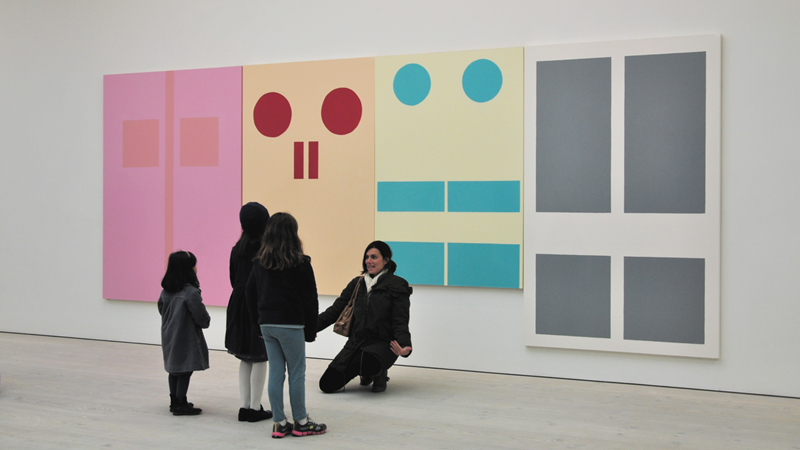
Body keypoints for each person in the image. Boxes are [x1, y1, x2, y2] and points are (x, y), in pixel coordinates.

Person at [246, 212, 327, 438]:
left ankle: (279, 423)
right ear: (293, 234)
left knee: (275, 372)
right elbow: (311, 299)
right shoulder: (301, 263)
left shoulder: (259, 264)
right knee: (296, 373)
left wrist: (257, 324)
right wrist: (311, 330)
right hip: (291, 325)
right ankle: (301, 421)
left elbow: (249, 295)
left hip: (267, 325)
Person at [317, 240, 413, 394]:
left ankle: (378, 373)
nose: (369, 261)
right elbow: (335, 310)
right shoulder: (357, 283)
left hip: (383, 344)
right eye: (367, 257)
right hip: (356, 342)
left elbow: (400, 320)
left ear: (386, 260)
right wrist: (310, 328)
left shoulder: (397, 285)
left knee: (366, 362)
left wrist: (404, 346)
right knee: (327, 385)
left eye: (374, 257)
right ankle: (365, 370)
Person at [225, 202, 273, 422]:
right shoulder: (266, 250)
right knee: (260, 358)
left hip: (238, 305)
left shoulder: (237, 249)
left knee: (245, 358)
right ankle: (255, 408)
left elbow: (233, 278)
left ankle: (245, 406)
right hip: (258, 306)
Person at [158, 250, 210, 416]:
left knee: (174, 369)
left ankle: (174, 401)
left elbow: (161, 309)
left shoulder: (165, 292)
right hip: (186, 337)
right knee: (186, 369)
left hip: (169, 335)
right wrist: (205, 322)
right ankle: (181, 402)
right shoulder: (191, 293)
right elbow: (201, 316)